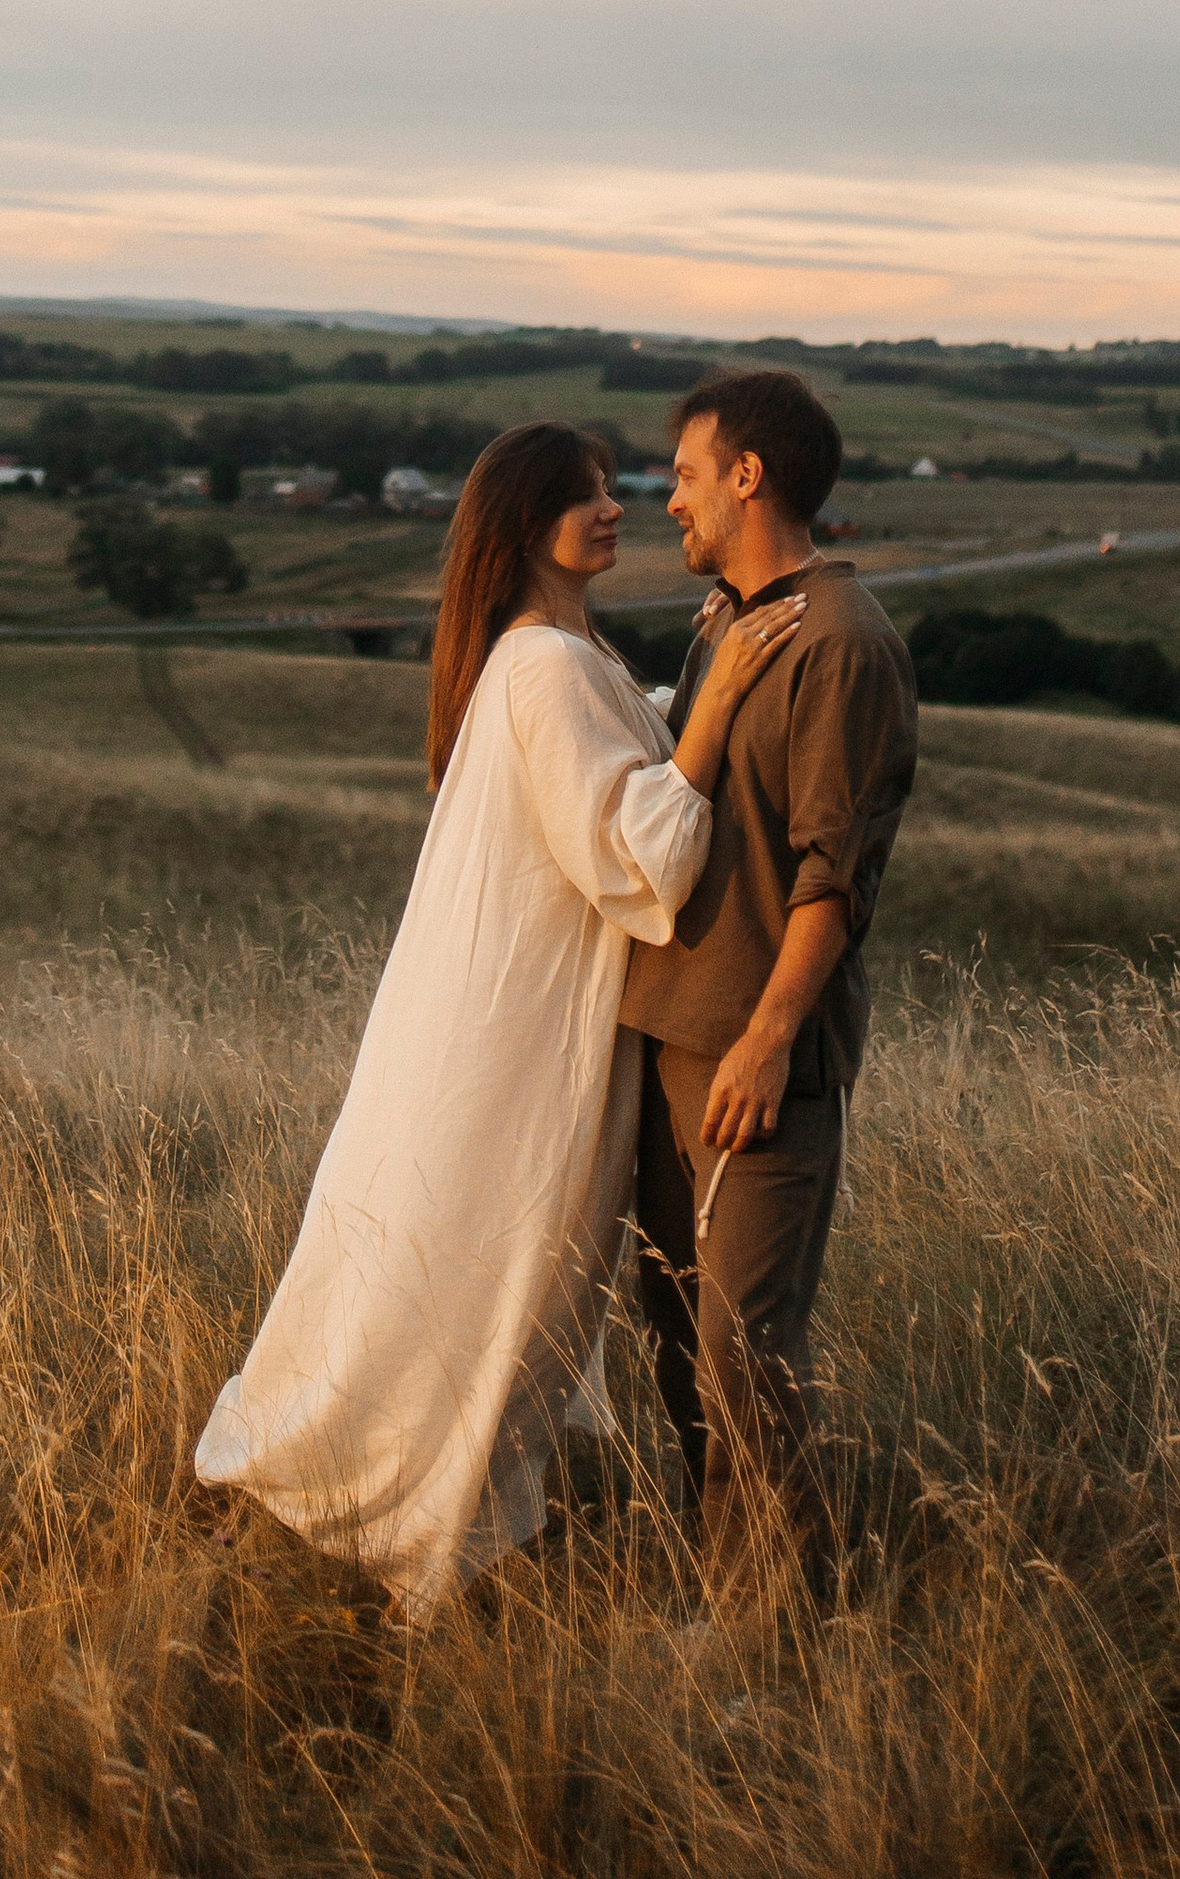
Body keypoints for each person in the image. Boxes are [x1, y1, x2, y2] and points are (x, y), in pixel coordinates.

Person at [194, 417, 807, 1616]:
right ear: (526, 523)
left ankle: (393, 1499)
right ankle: (370, 1503)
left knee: (479, 1278)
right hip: (525, 1046)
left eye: (613, 486)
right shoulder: (541, 667)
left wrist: (701, 678)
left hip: (513, 1029)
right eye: (585, 496)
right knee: (488, 1275)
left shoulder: (560, 655)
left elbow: (619, 758)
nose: (615, 507)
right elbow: (639, 852)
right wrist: (722, 696)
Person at [619, 368, 918, 1601]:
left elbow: (832, 875)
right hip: (667, 1034)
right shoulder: (731, 626)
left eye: (686, 475)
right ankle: (722, 1584)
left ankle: (783, 1614)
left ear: (748, 476)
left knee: (746, 1343)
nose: (669, 500)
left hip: (755, 1058)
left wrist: (768, 1036)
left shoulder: (840, 642)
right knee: (680, 1337)